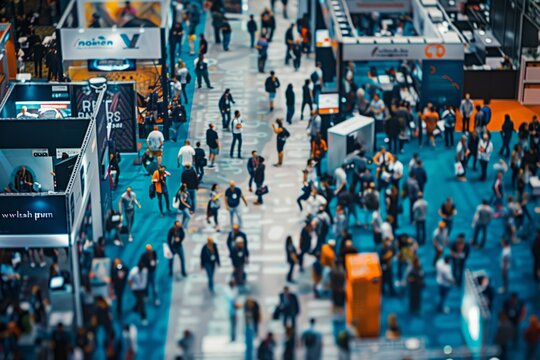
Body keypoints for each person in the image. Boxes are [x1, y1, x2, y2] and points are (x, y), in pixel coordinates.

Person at [128, 261, 148, 326]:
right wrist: (132, 287)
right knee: (141, 303)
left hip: (142, 289)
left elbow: (146, 280)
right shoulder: (133, 271)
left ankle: (136, 308)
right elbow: (129, 279)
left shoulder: (145, 270)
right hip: (136, 289)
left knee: (139, 300)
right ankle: (143, 317)